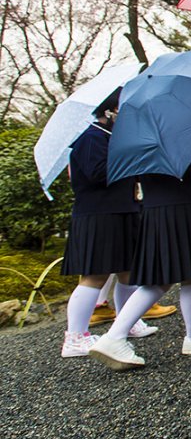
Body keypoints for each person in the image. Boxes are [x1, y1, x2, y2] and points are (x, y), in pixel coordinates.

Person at [89, 142, 191, 370]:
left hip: (158, 204)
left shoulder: (140, 132)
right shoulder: (180, 128)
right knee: (165, 279)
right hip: (185, 203)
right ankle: (114, 337)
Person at [60, 88, 146, 357]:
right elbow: (98, 173)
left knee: (128, 272)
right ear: (108, 111)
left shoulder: (110, 138)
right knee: (94, 276)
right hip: (98, 215)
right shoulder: (91, 138)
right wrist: (128, 160)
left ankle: (128, 322)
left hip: (122, 211)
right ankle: (74, 336)